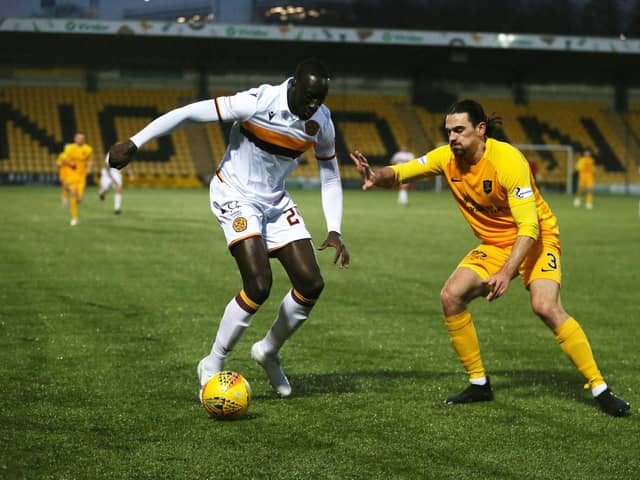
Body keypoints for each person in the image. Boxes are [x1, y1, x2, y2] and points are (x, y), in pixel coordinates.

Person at [350, 99, 630, 417]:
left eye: (459, 130)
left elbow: (529, 226)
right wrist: (375, 176)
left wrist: (505, 272)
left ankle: (600, 388)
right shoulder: (446, 158)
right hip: (495, 244)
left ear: (480, 130)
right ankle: (479, 384)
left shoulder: (508, 161)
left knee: (545, 306)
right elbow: (402, 172)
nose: (452, 137)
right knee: (451, 296)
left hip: (537, 239)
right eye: (449, 131)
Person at [107, 58, 350, 398]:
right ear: (293, 85)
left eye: (320, 99)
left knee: (311, 283)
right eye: (309, 97)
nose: (314, 105)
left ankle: (267, 351)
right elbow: (189, 112)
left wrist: (335, 228)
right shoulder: (257, 101)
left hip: (276, 201)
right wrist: (136, 141)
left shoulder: (321, 122)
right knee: (259, 284)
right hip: (234, 193)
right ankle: (213, 361)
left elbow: (330, 174)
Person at [58, 132, 93, 226]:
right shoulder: (70, 148)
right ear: (75, 139)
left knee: (79, 199)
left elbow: (90, 160)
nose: (80, 140)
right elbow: (62, 159)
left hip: (82, 176)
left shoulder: (88, 149)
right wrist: (70, 164)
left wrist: (89, 168)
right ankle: (74, 218)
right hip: (71, 175)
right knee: (73, 194)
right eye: (78, 138)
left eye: (82, 138)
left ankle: (70, 198)